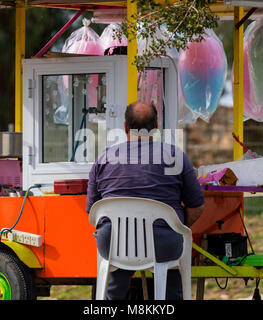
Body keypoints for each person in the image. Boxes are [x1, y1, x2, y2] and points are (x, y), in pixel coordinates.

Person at [86, 101, 204, 300]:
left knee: (119, 258)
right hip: (162, 244)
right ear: (156, 126)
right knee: (171, 264)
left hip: (113, 243)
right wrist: (177, 227)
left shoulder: (104, 158)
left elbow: (92, 211)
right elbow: (197, 207)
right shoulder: (175, 156)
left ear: (125, 127)